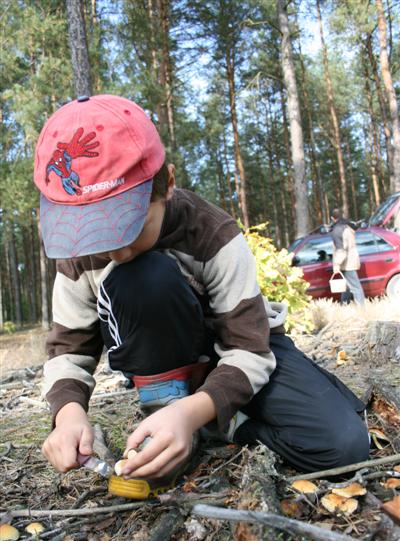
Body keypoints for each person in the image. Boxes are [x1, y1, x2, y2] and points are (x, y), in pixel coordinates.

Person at [34, 94, 369, 490]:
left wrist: (194, 413)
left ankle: (210, 422)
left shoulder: (211, 232)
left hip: (237, 351)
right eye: (98, 233)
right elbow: (68, 351)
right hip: (159, 353)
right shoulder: (80, 250)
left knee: (342, 445)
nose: (116, 249)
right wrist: (69, 414)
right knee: (142, 275)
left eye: (131, 225)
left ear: (168, 185)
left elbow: (249, 348)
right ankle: (167, 406)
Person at [330, 208, 365, 306]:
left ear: (332, 218)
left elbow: (341, 249)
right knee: (346, 287)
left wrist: (336, 264)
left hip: (347, 263)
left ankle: (362, 309)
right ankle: (344, 306)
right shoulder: (348, 226)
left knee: (355, 287)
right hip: (352, 259)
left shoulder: (337, 229)